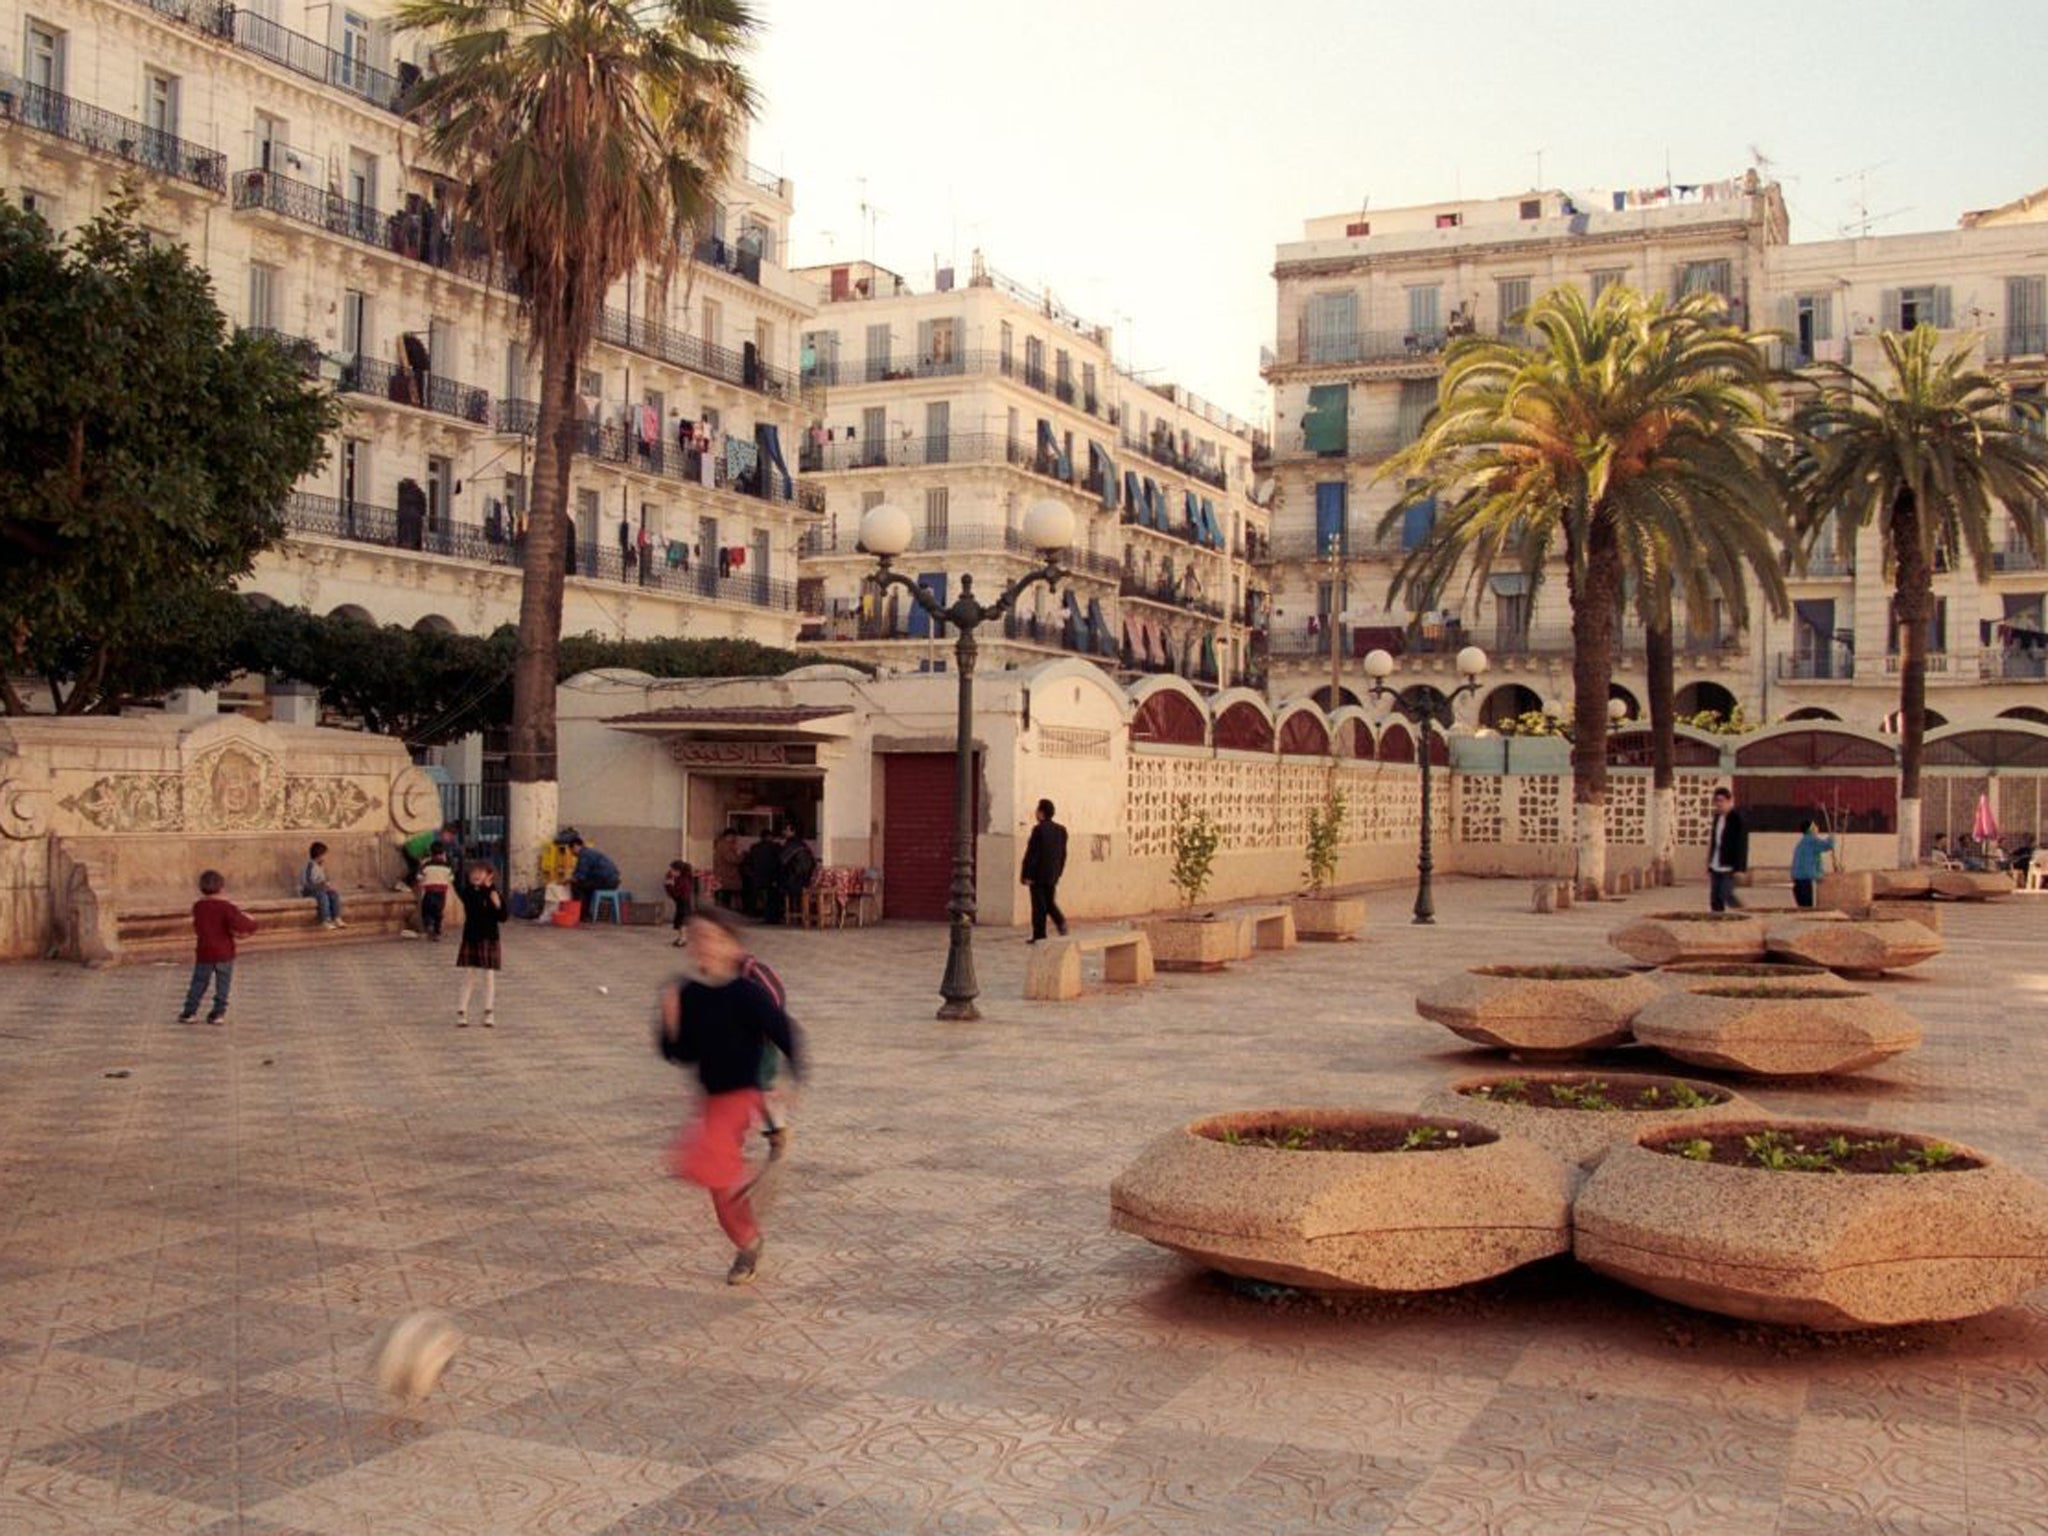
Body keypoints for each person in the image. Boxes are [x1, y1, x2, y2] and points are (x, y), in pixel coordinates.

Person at [658, 911, 803, 1286]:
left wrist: (794, 1080)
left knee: (702, 1158)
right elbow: (682, 1053)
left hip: (741, 1095)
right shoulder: (690, 994)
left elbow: (784, 1032)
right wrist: (670, 1025)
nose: (701, 946)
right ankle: (748, 1241)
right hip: (710, 1098)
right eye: (694, 938)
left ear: (730, 944)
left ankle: (752, 1182)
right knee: (716, 1185)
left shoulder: (748, 992)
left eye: (709, 937)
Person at [180, 870, 257, 1025]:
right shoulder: (227, 907)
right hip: (224, 952)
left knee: (199, 983)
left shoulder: (198, 907)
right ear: (222, 888)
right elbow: (240, 924)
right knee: (223, 984)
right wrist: (252, 922)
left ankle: (189, 1012)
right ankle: (218, 1013)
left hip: (205, 951)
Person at [454, 861, 505, 1026]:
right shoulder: (469, 891)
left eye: (481, 872)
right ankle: (462, 1011)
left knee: (489, 976)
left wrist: (496, 902)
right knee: (469, 976)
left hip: (489, 937)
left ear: (489, 875)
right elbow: (474, 906)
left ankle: (489, 1012)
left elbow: (502, 916)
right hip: (472, 937)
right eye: (473, 873)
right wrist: (487, 890)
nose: (476, 875)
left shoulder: (493, 892)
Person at [1020, 798, 1069, 943]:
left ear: (1041, 813)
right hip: (1052, 874)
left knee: (1038, 906)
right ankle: (1060, 922)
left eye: (1037, 810)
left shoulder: (1038, 830)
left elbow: (1032, 854)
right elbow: (1063, 854)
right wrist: (1058, 871)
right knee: (1049, 902)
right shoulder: (1061, 830)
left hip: (1037, 875)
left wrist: (1027, 874)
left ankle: (1039, 935)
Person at [1706, 786, 1749, 913]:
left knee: (1726, 894)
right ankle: (1717, 922)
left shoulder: (1737, 819)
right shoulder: (1717, 818)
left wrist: (1740, 868)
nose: (1719, 804)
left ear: (1730, 801)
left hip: (1729, 865)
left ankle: (1745, 913)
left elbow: (1742, 845)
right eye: (1716, 801)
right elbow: (1714, 842)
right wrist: (1709, 864)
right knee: (1715, 898)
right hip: (1715, 864)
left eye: (1722, 800)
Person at [567, 837, 620, 923]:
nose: (572, 853)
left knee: (577, 886)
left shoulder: (584, 855)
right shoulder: (590, 853)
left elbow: (580, 876)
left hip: (606, 882)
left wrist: (568, 880)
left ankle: (580, 914)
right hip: (613, 881)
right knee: (588, 887)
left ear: (576, 846)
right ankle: (586, 915)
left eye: (571, 850)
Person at [1790, 819, 1836, 909]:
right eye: (1815, 826)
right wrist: (1832, 837)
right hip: (1807, 881)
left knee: (1803, 909)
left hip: (1797, 881)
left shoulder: (1801, 843)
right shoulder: (1811, 840)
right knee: (1809, 908)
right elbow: (1828, 845)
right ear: (1811, 829)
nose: (1817, 828)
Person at [302, 841, 346, 929]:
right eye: (324, 854)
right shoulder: (310, 865)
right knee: (323, 896)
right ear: (319, 855)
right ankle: (326, 919)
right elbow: (308, 883)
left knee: (334, 894)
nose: (325, 857)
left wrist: (326, 884)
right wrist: (321, 885)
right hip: (308, 890)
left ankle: (336, 917)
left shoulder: (320, 866)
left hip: (319, 889)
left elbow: (323, 879)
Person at [742, 831, 783, 923]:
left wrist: (751, 873)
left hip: (757, 876)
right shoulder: (776, 847)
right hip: (771, 877)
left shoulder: (754, 847)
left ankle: (754, 912)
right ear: (771, 837)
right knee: (772, 897)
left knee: (756, 895)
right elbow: (780, 861)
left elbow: (748, 862)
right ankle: (771, 916)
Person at [779, 828, 817, 925]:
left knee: (779, 888)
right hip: (806, 881)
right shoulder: (803, 845)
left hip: (794, 881)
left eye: (786, 830)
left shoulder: (791, 845)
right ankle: (802, 917)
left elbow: (782, 861)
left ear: (793, 832)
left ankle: (791, 916)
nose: (784, 832)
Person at [418, 850, 456, 940]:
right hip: (441, 892)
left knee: (426, 909)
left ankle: (429, 924)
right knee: (438, 912)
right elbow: (451, 878)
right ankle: (437, 932)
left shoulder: (426, 865)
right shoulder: (447, 866)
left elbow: (419, 877)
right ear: (443, 854)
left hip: (429, 891)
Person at [664, 859, 695, 946]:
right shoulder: (681, 879)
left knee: (682, 922)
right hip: (681, 903)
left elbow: (676, 893)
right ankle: (681, 938)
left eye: (673, 870)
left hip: (683, 903)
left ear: (678, 871)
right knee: (680, 922)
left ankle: (683, 938)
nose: (671, 872)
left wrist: (669, 885)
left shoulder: (683, 881)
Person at [712, 830, 743, 910]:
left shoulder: (719, 845)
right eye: (734, 837)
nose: (735, 839)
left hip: (722, 874)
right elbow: (732, 859)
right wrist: (740, 854)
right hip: (728, 874)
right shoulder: (726, 846)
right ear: (729, 836)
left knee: (723, 894)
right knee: (727, 895)